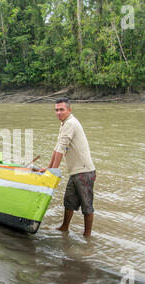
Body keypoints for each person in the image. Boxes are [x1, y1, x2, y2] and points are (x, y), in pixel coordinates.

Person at [40, 97, 96, 237]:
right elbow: (57, 147)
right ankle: (64, 228)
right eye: (56, 110)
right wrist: (49, 168)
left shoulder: (71, 123)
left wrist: (52, 171)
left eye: (61, 110)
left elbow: (62, 148)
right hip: (75, 172)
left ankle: (87, 236)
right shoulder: (64, 123)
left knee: (87, 206)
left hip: (84, 172)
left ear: (69, 110)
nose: (58, 112)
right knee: (69, 202)